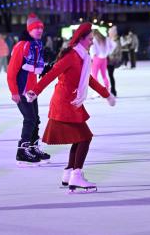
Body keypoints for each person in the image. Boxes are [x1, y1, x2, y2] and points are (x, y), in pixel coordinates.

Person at [26, 22, 116, 192]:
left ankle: (69, 173)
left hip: (72, 103)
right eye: (89, 39)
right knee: (85, 138)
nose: (91, 42)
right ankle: (76, 175)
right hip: (64, 104)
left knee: (80, 138)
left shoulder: (82, 57)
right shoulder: (71, 57)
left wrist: (107, 95)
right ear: (81, 39)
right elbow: (52, 73)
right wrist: (35, 91)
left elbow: (88, 80)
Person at [7, 13, 50, 165]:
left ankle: (33, 147)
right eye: (35, 28)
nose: (39, 30)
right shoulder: (22, 46)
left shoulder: (37, 46)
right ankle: (22, 151)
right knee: (30, 119)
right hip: (22, 90)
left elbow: (35, 70)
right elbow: (11, 71)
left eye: (41, 28)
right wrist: (14, 91)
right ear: (29, 29)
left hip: (32, 91)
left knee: (35, 120)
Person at [107, 26, 121, 96]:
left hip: (111, 60)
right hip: (107, 60)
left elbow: (117, 52)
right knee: (108, 75)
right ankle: (111, 90)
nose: (109, 33)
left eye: (110, 32)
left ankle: (113, 90)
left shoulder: (116, 41)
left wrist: (110, 55)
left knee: (110, 75)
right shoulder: (109, 40)